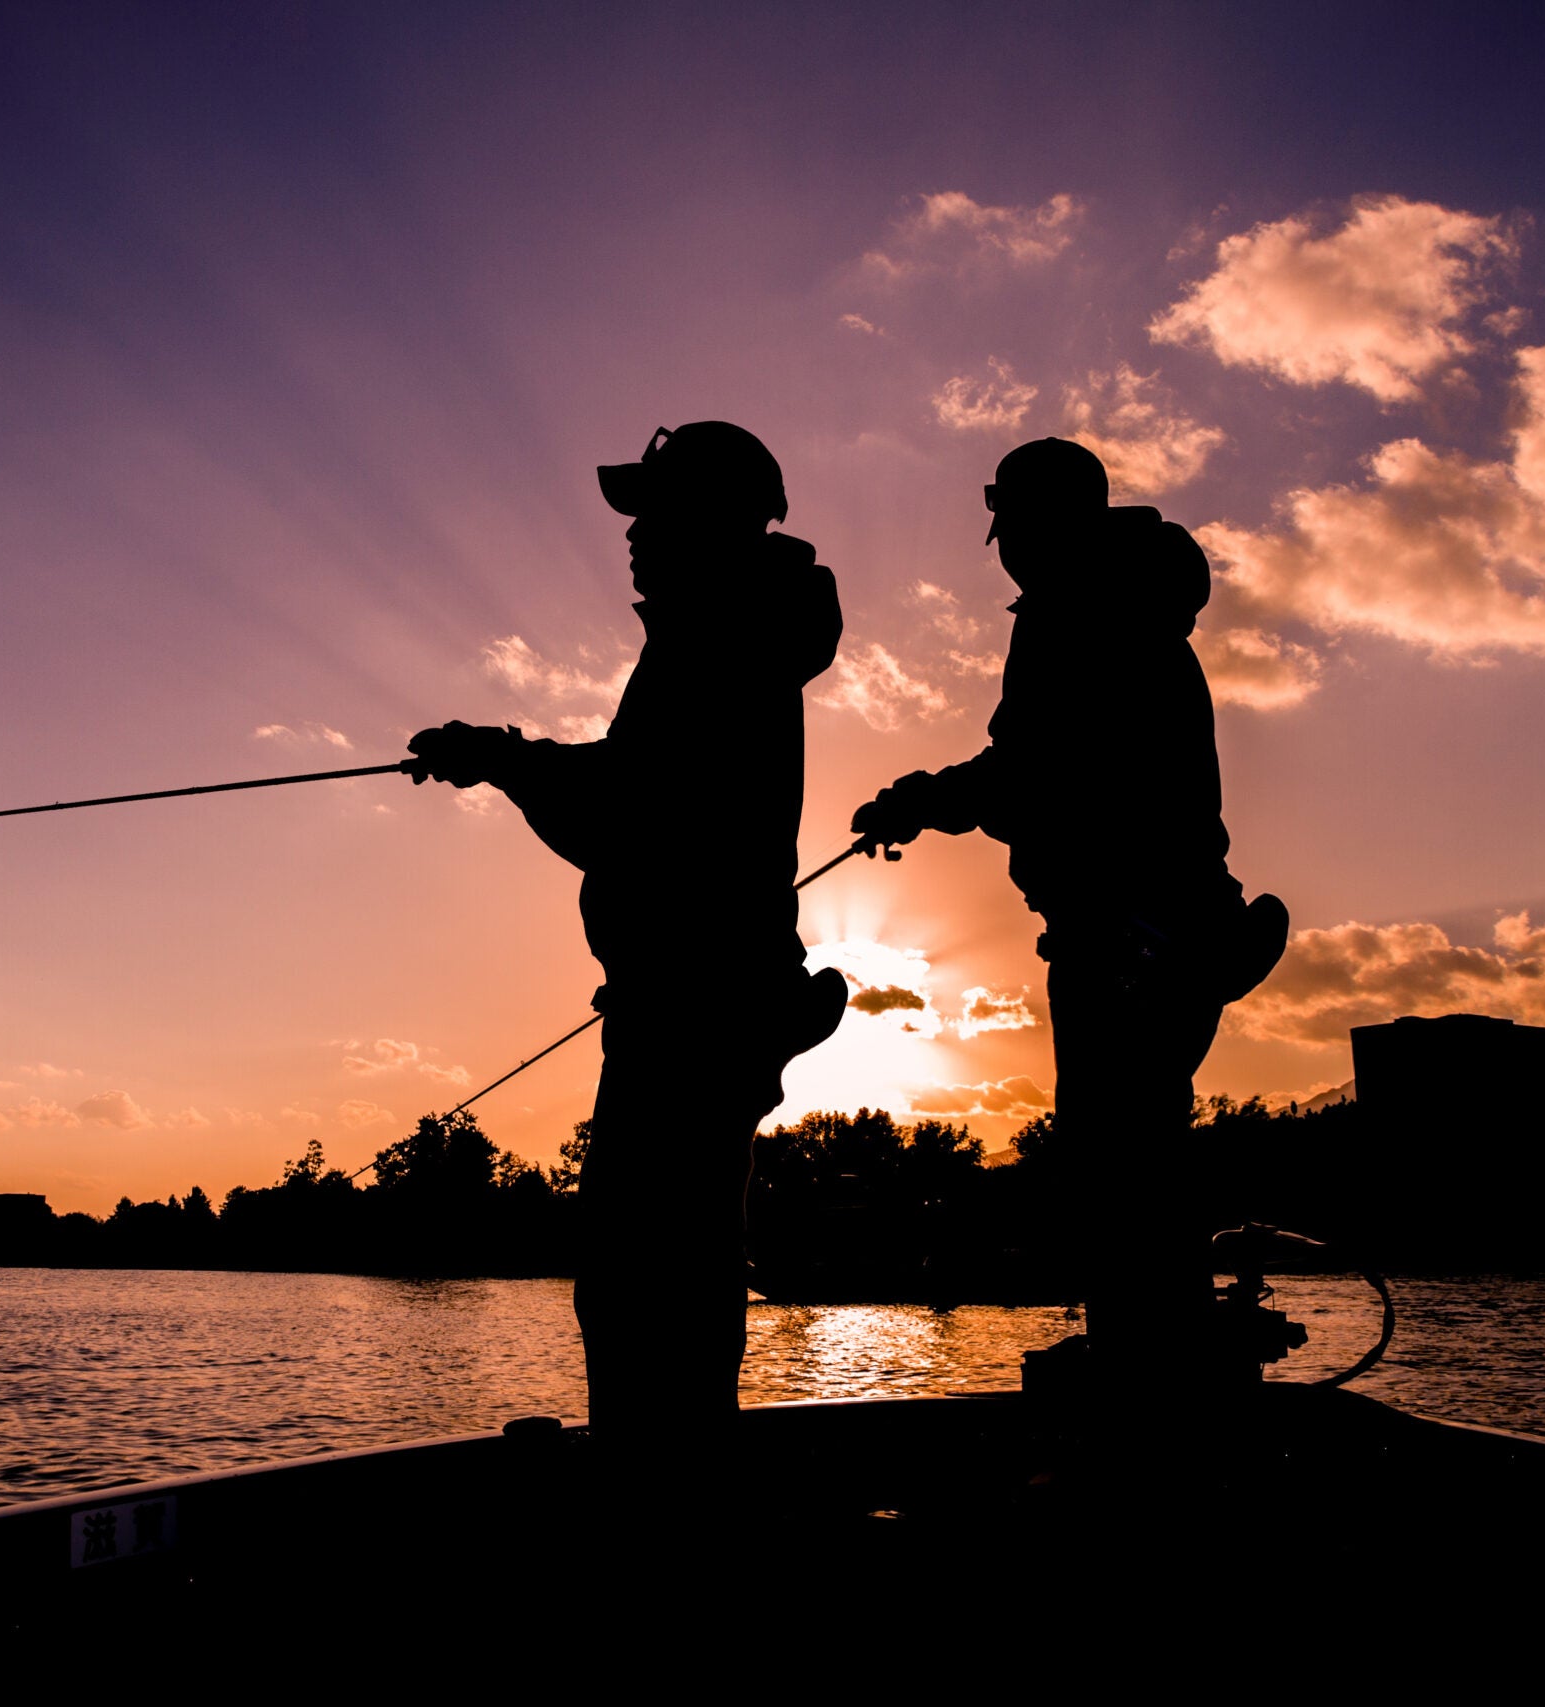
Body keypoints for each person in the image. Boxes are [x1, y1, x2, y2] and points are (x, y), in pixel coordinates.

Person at [406, 421, 848, 1440]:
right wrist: (507, 756)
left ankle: (660, 1504)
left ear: (714, 516)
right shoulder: (724, 633)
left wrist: (503, 758)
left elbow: (630, 811)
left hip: (692, 1008)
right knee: (673, 1267)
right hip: (710, 999)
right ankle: (669, 1481)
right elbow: (632, 785)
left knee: (643, 1275)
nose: (632, 534)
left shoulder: (721, 638)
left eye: (652, 511)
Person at [848, 437, 1285, 1379]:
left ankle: (1145, 1363)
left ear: (1042, 524)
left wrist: (924, 799)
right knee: (1135, 1143)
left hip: (1129, 933)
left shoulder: (1079, 612)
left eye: (1012, 525)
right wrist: (937, 797)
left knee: (1115, 1148)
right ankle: (1151, 1342)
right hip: (1171, 923)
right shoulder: (1129, 606)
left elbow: (1042, 773)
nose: (1004, 546)